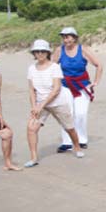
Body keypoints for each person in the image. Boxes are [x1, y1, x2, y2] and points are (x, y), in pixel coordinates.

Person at [25, 39, 84, 168]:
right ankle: (34, 157)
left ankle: (77, 147)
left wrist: (42, 104)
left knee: (69, 127)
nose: (40, 54)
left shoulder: (54, 67)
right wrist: (34, 105)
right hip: (41, 104)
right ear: (33, 53)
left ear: (47, 53)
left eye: (42, 51)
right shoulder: (31, 69)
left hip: (57, 102)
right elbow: (31, 89)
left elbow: (56, 89)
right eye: (37, 51)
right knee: (31, 128)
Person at [53, 27, 103, 152]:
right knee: (66, 114)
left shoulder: (83, 50)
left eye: (68, 36)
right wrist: (53, 84)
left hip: (82, 86)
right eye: (63, 37)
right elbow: (52, 67)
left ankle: (81, 140)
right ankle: (67, 142)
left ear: (75, 38)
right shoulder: (59, 50)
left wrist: (96, 82)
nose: (66, 39)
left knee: (80, 114)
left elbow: (99, 65)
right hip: (65, 86)